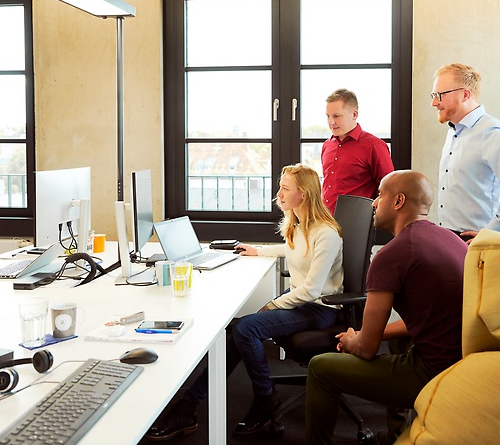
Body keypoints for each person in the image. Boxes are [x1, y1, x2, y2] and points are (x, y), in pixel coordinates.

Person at [145, 163, 344, 441]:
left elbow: (311, 290)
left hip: (320, 309)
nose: (279, 194)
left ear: (305, 194)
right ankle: (190, 403)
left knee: (245, 329)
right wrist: (257, 250)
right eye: (280, 187)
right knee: (236, 328)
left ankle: (264, 399)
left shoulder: (326, 233)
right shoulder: (299, 226)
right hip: (302, 304)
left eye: (286, 188)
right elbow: (292, 250)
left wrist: (273, 305)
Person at [305, 170, 466, 444]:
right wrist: (371, 335)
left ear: (398, 201)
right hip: (463, 360)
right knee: (398, 341)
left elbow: (366, 349)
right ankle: (396, 435)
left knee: (321, 368)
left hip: (435, 371)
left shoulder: (392, 255)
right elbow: (428, 319)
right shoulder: (449, 239)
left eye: (380, 194)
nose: (374, 202)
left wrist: (353, 339)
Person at [431, 63, 500, 243]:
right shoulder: (454, 132)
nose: (434, 102)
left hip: (476, 242)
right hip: (450, 239)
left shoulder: (492, 133)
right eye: (434, 95)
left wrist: (492, 233)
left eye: (439, 95)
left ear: (465, 94)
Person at [321, 88, 394, 213]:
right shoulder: (327, 145)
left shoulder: (374, 146)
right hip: (325, 221)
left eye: (336, 116)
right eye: (328, 116)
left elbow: (390, 189)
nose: (331, 122)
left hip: (359, 222)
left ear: (354, 115)